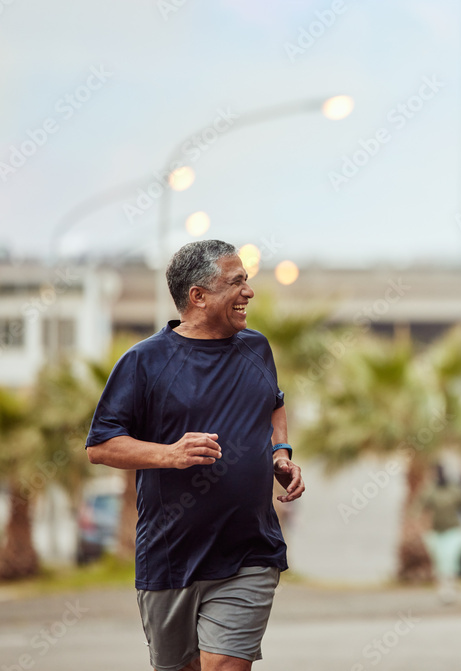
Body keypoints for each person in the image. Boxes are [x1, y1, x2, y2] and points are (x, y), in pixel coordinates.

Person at [85, 239, 305, 671]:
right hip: (170, 556)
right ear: (198, 296)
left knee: (224, 665)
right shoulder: (144, 362)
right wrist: (170, 454)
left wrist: (281, 453)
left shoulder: (256, 348)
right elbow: (100, 446)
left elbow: (274, 403)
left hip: (249, 552)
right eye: (236, 282)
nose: (249, 292)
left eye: (247, 281)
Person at [419, 463, 461, 603]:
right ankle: (442, 589)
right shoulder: (430, 490)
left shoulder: (454, 489)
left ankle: (451, 589)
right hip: (436, 532)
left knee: (451, 559)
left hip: (453, 531)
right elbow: (419, 507)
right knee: (439, 562)